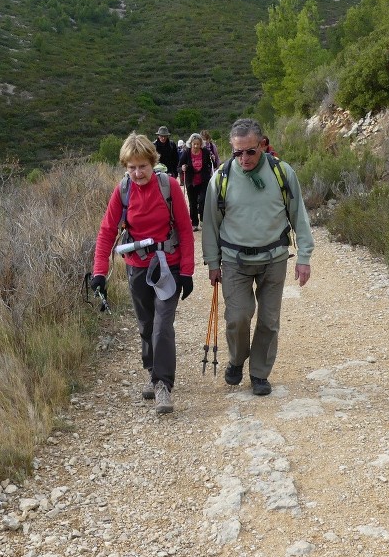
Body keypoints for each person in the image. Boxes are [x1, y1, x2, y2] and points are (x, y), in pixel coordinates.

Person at [201, 118, 313, 396]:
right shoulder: (221, 178)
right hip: (234, 260)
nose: (244, 158)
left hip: (274, 258)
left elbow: (299, 215)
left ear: (263, 144)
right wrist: (213, 263)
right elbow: (211, 224)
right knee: (238, 316)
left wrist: (304, 257)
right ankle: (237, 360)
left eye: (250, 151)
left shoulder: (282, 173)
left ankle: (259, 374)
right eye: (237, 152)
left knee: (269, 320)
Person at [91, 133, 195, 414]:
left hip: (168, 266)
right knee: (146, 325)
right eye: (131, 167)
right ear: (126, 167)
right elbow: (106, 232)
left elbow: (185, 230)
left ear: (153, 162)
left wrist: (187, 271)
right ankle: (152, 371)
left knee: (162, 326)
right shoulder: (122, 191)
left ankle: (163, 384)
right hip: (137, 268)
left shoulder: (169, 186)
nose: (137, 173)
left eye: (143, 167)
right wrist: (99, 272)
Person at [178, 133, 214, 231]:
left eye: (198, 144)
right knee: (192, 203)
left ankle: (203, 220)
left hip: (203, 180)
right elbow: (179, 167)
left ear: (201, 144)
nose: (196, 146)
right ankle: (194, 223)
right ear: (191, 143)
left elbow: (211, 164)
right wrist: (182, 168)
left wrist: (213, 160)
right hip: (191, 181)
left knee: (202, 200)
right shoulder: (186, 152)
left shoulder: (205, 152)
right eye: (194, 144)